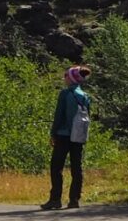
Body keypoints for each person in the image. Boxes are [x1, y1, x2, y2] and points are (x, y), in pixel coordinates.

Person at [41, 65, 92, 210]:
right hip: (78, 137)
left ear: (71, 78)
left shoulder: (65, 94)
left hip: (63, 135)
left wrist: (53, 133)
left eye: (66, 75)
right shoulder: (85, 96)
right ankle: (74, 199)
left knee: (56, 167)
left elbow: (59, 116)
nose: (64, 78)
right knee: (77, 167)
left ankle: (55, 199)